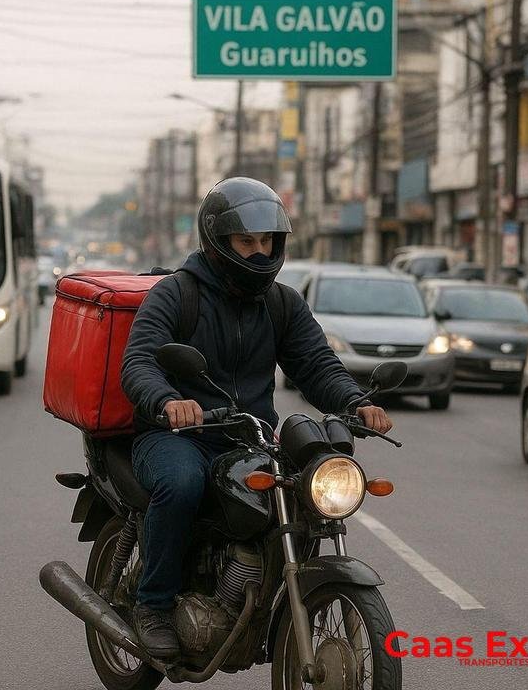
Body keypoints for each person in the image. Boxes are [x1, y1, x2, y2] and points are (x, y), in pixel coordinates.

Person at [120, 177, 393, 658]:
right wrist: (167, 400)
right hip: (177, 434)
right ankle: (153, 605)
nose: (259, 252)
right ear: (218, 241)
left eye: (267, 241)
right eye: (246, 242)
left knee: (302, 492)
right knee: (182, 484)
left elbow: (316, 364)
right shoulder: (176, 294)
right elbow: (139, 361)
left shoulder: (281, 302)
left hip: (251, 438)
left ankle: (261, 598)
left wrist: (355, 403)